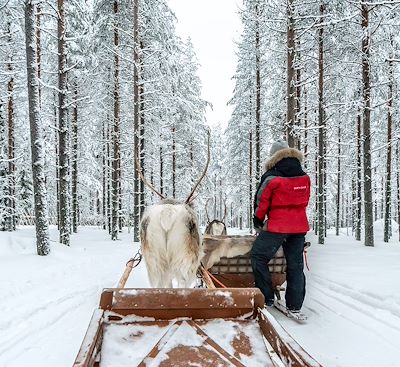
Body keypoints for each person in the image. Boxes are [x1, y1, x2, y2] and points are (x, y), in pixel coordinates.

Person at [251, 139, 310, 312]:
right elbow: (304, 201)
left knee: (258, 256)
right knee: (295, 265)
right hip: (299, 227)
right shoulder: (304, 177)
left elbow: (261, 201)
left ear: (274, 156)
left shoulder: (271, 176)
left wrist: (258, 220)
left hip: (277, 226)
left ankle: (266, 296)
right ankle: (295, 305)